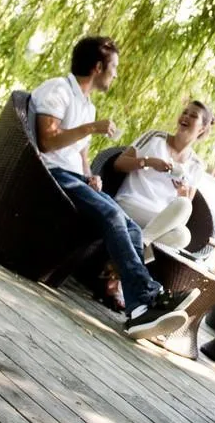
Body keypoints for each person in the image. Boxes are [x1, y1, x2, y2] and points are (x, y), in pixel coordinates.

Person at [30, 36, 198, 340]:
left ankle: (138, 311)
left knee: (132, 228)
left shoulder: (87, 105)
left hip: (75, 177)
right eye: (114, 67)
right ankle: (149, 298)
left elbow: (79, 153)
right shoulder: (58, 90)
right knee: (113, 216)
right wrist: (92, 128)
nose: (116, 74)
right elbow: (48, 141)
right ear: (97, 67)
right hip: (51, 174)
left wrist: (88, 174)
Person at [111, 100, 215, 254]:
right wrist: (149, 162)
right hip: (131, 202)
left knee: (183, 235)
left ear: (202, 129)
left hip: (160, 218)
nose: (185, 117)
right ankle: (139, 248)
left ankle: (139, 244)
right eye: (185, 112)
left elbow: (183, 210)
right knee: (183, 213)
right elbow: (119, 164)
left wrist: (182, 194)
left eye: (193, 116)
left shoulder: (197, 165)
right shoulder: (155, 137)